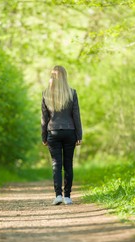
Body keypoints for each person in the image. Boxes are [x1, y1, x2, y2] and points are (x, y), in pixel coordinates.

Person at [41, 65, 82, 205]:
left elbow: (44, 118)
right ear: (64, 77)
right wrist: (79, 135)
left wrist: (43, 137)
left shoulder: (46, 93)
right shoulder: (72, 93)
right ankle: (68, 196)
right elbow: (76, 116)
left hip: (53, 132)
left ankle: (58, 195)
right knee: (68, 165)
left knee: (56, 164)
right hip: (70, 132)